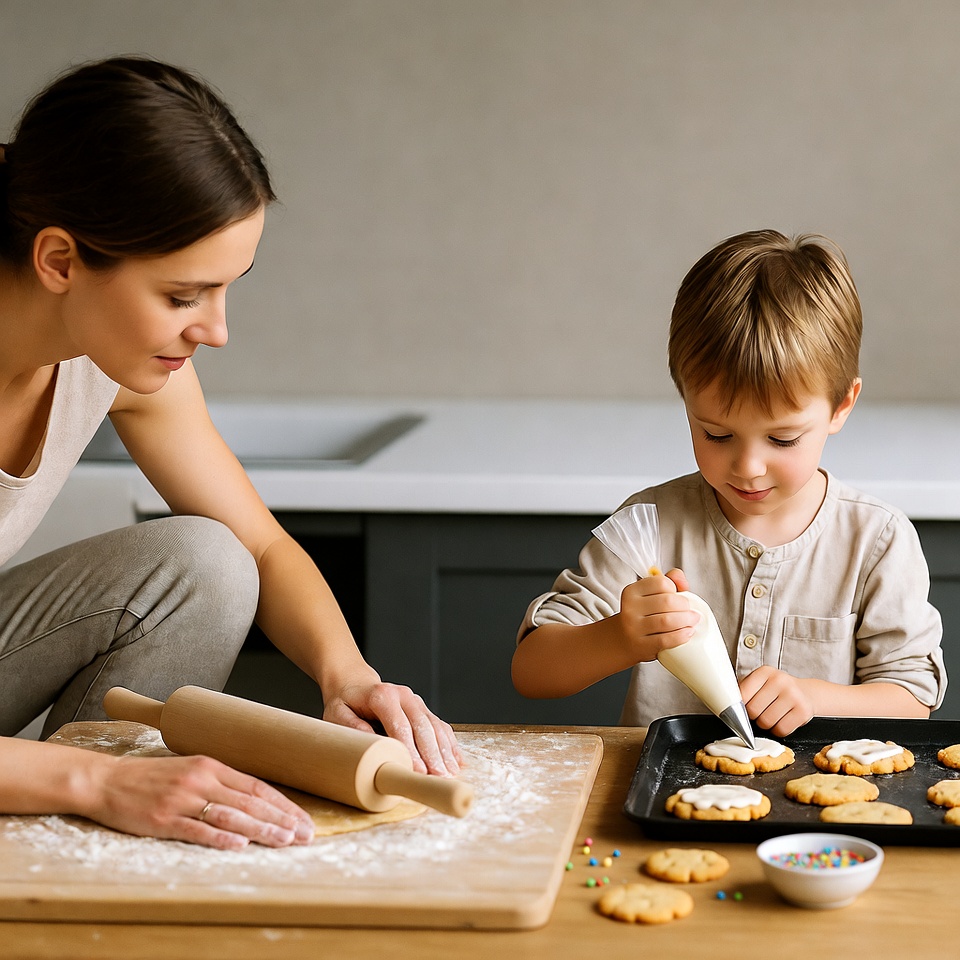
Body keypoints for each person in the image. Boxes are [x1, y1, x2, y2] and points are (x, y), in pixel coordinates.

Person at [0, 56, 460, 851]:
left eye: (226, 287)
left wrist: (346, 674)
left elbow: (261, 545)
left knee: (208, 561)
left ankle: (72, 855)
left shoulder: (117, 367)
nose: (215, 330)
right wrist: (98, 778)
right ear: (61, 261)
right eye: (182, 296)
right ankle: (80, 801)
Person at [512, 229, 945, 735]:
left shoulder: (876, 541)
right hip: (661, 805)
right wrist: (619, 638)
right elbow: (531, 670)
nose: (748, 466)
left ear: (841, 406)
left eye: (782, 440)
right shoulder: (652, 527)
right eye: (716, 433)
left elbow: (913, 699)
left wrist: (814, 697)